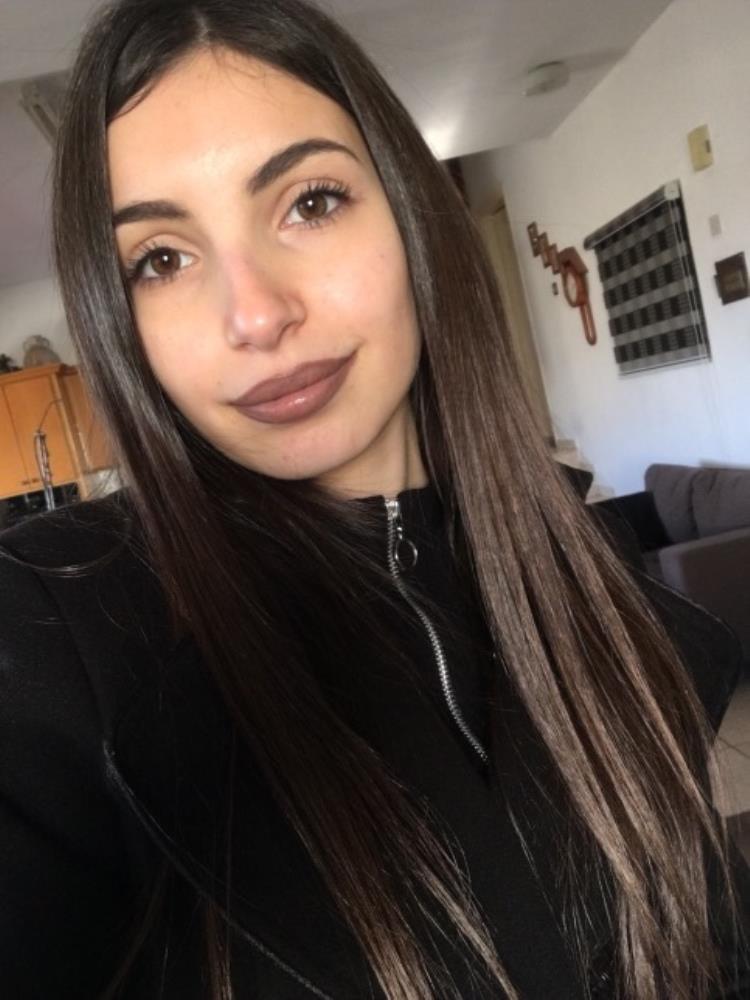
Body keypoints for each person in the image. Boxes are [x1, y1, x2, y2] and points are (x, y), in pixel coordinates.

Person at [0, 0, 748, 997]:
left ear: (408, 211)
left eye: (310, 202)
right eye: (162, 259)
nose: (255, 314)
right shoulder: (62, 630)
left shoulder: (602, 601)